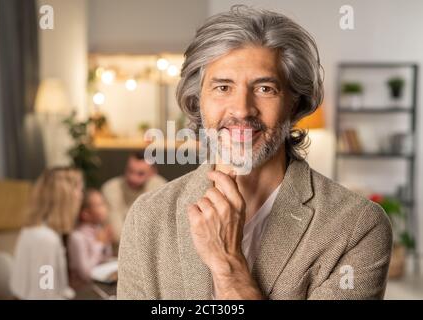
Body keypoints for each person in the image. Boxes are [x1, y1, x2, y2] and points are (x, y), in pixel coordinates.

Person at [117, 6, 393, 300]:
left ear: (295, 103)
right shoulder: (148, 217)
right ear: (198, 101)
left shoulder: (357, 227)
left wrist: (228, 266)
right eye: (223, 87)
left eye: (264, 88)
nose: (242, 110)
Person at [11, 167, 83, 300]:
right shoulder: (46, 240)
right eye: (79, 189)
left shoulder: (35, 229)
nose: (81, 195)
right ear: (65, 196)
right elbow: (44, 294)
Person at [101, 151, 166, 244]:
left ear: (153, 173)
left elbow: (160, 229)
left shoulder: (161, 188)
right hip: (118, 253)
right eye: (130, 171)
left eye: (140, 174)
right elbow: (116, 233)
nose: (133, 178)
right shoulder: (111, 189)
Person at [68, 189, 113, 287]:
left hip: (100, 285)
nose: (105, 208)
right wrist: (99, 243)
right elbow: (86, 274)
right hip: (84, 291)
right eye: (100, 205)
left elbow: (105, 259)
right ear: (85, 214)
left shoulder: (99, 229)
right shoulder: (77, 237)